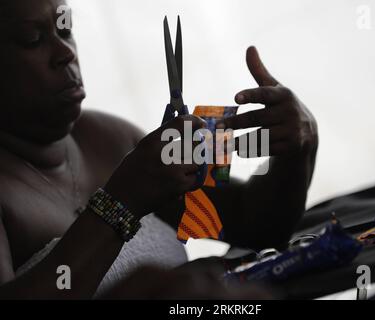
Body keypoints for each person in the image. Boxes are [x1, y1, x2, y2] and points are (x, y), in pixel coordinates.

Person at [0, 0, 318, 299]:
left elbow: (255, 226)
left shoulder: (113, 138)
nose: (64, 52)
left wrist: (295, 150)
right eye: (32, 39)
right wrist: (119, 205)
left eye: (65, 29)